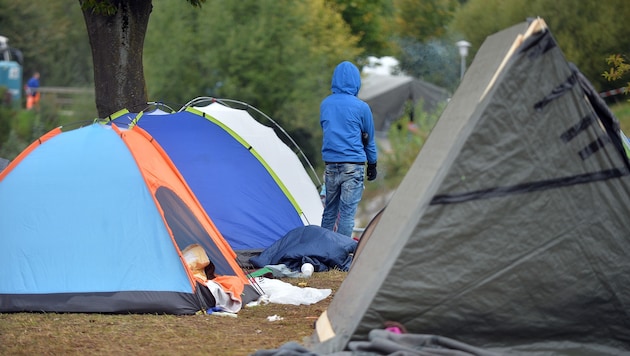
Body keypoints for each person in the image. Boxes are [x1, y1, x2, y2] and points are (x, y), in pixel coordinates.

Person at [320, 61, 378, 237]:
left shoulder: (326, 104)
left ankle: (322, 251)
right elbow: (370, 138)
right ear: (356, 81)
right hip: (353, 166)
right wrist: (372, 164)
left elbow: (327, 129)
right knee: (346, 214)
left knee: (329, 211)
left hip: (331, 165)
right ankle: (340, 256)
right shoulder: (361, 107)